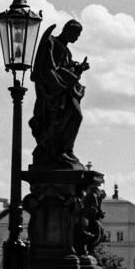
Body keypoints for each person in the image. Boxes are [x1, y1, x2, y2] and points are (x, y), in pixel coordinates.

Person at [29, 20, 89, 167]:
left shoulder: (65, 49)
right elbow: (49, 68)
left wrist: (79, 69)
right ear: (68, 30)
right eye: (76, 34)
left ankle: (66, 150)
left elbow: (65, 70)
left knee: (72, 118)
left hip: (66, 89)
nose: (77, 38)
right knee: (69, 118)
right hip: (55, 91)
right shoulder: (52, 43)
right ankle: (60, 151)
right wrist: (58, 87)